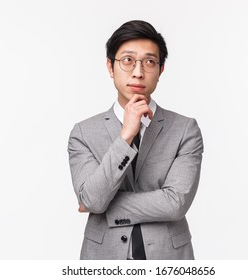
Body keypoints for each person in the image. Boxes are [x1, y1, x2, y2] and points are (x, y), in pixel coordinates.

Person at [67, 20, 204, 260]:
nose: (138, 72)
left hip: (168, 259)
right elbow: (92, 199)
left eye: (149, 62)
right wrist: (126, 136)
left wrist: (102, 205)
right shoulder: (83, 133)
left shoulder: (185, 129)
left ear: (160, 71)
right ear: (110, 67)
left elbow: (175, 203)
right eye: (128, 60)